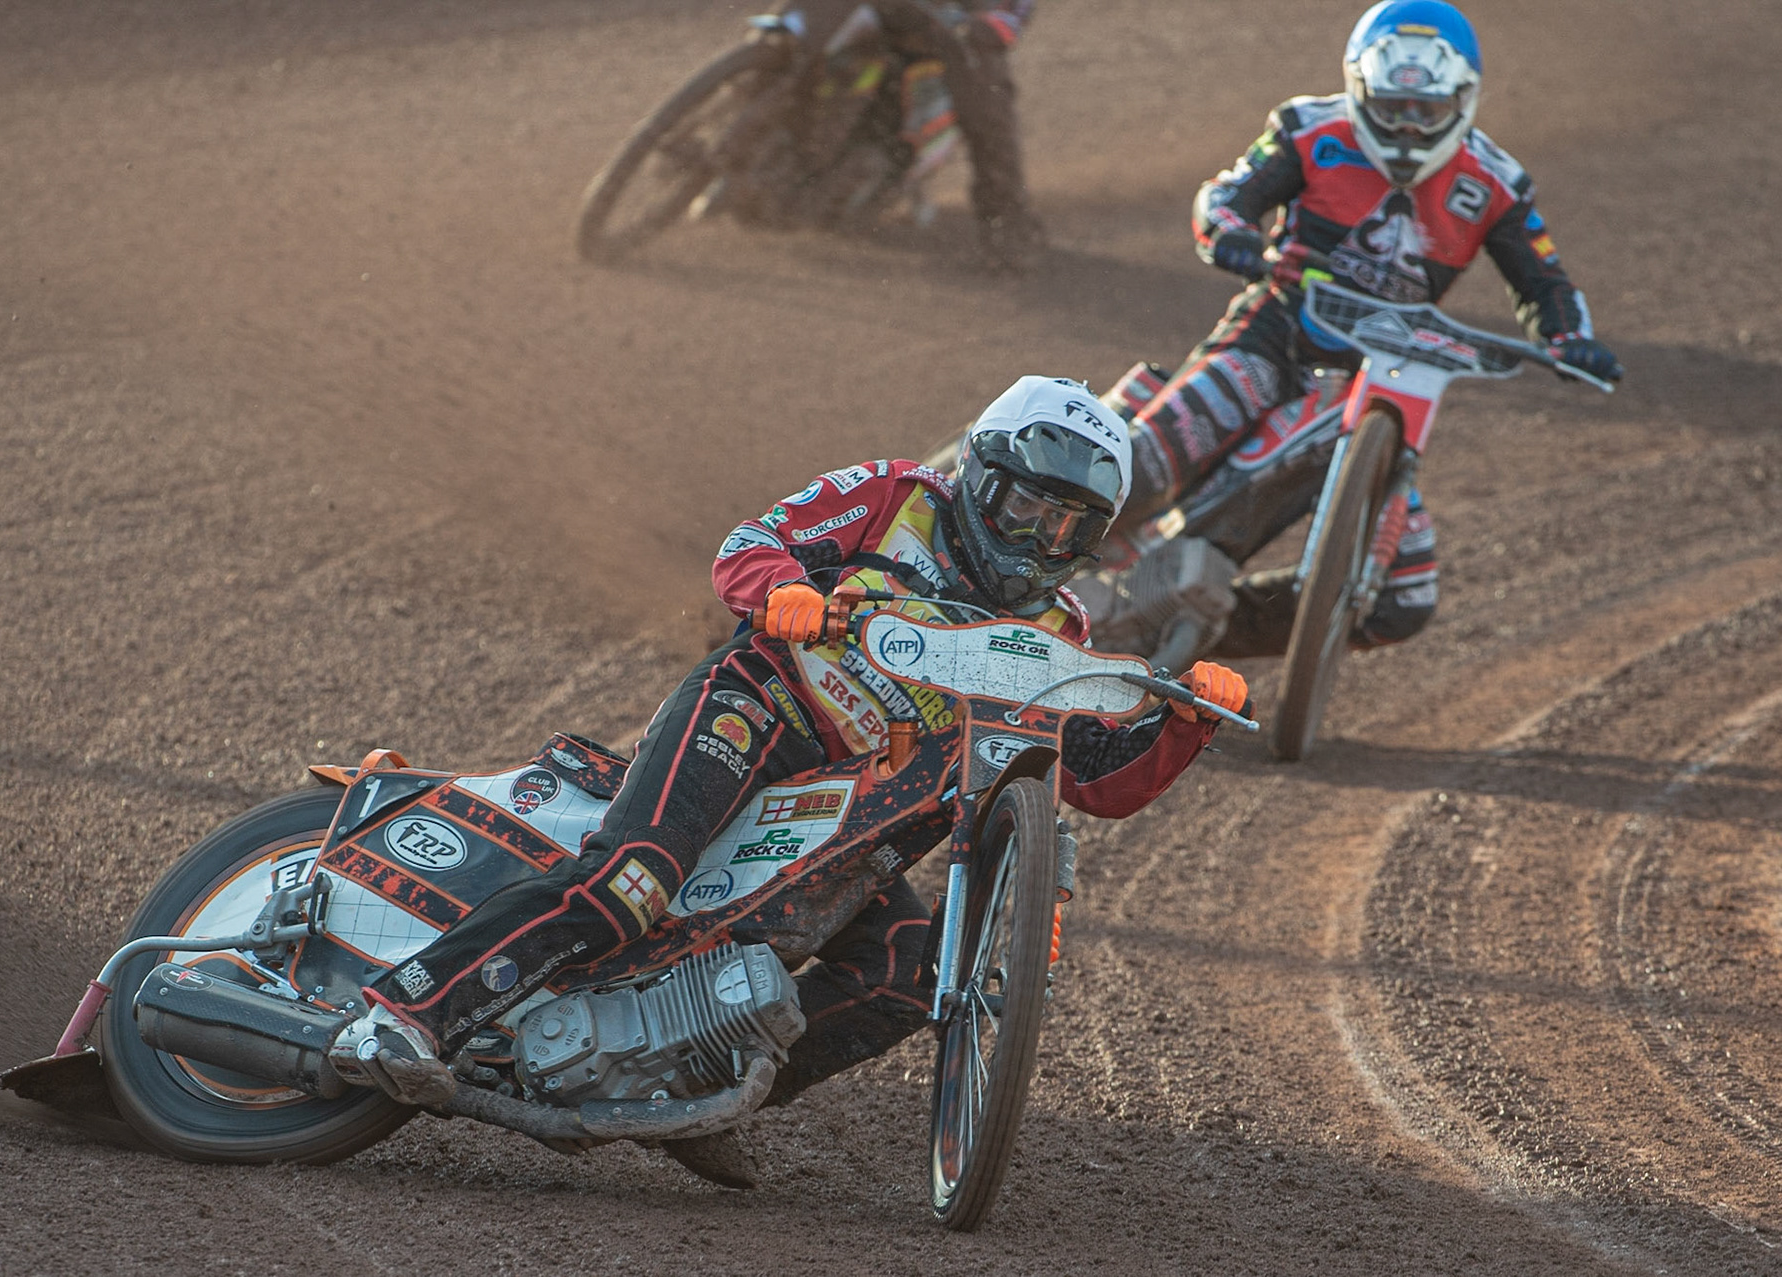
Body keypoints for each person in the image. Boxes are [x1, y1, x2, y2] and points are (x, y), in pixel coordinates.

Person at [328, 377, 1248, 1182]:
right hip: (760, 711)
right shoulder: (894, 495)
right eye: (1024, 509)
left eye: (1068, 525)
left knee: (905, 970)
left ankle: (700, 1093)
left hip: (862, 808)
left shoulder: (1062, 629)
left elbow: (1096, 781)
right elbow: (750, 541)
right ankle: (404, 1013)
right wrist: (783, 590)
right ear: (979, 473)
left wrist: (1186, 720)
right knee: (631, 881)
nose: (1040, 538)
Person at [1097, 0, 1622, 656]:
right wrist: (1230, 233)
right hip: (1275, 334)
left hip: (1382, 382)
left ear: (1463, 100)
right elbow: (1227, 195)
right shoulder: (1309, 129)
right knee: (1137, 474)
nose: (1406, 128)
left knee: (1403, 597)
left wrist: (1570, 336)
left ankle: (1171, 627)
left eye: (1425, 111)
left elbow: (1546, 282)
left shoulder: (1496, 182)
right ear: (1358, 88)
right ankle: (989, 544)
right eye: (1390, 108)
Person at [782, 0, 1044, 270]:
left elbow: (1013, 13)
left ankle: (1008, 229)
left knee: (988, 101)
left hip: (948, 36)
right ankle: (771, 70)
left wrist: (993, 24)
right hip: (884, 10)